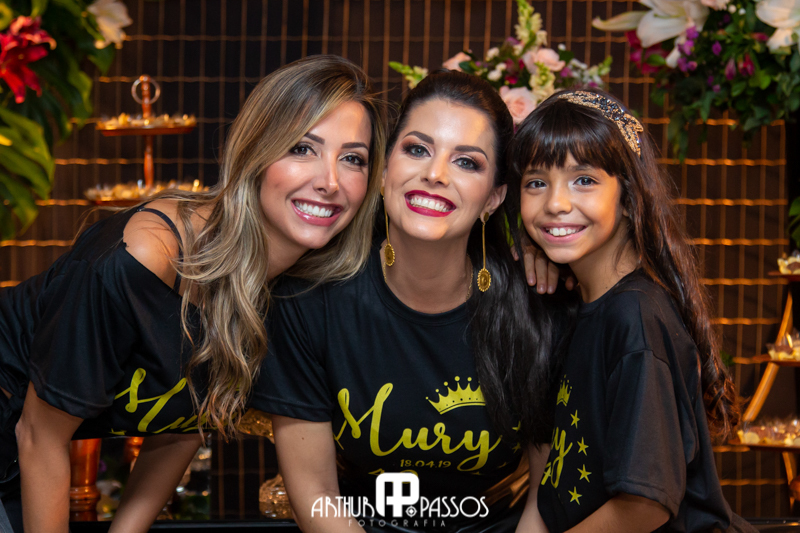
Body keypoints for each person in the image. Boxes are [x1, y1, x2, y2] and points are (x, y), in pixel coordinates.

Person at [0, 54, 387, 533]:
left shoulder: (294, 286)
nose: (330, 181)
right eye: (302, 148)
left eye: (353, 158)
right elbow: (38, 436)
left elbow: (181, 426)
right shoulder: (143, 259)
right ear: (256, 152)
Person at [252, 70, 561, 532]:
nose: (435, 174)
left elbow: (546, 495)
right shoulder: (309, 300)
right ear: (383, 171)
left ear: (495, 197)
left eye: (467, 162)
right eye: (417, 150)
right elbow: (315, 495)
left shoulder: (536, 302)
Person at [500, 89, 755, 532]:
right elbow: (551, 472)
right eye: (536, 182)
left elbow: (644, 504)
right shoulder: (575, 302)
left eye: (584, 180)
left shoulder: (634, 315)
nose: (556, 203)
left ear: (628, 193)